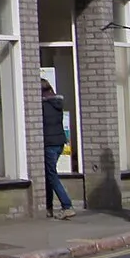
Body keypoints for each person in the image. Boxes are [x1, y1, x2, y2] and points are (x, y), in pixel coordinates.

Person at [41, 79, 74, 219]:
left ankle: (67, 205)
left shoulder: (43, 106)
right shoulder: (57, 104)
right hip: (59, 142)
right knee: (49, 175)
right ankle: (49, 208)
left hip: (49, 143)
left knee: (52, 176)